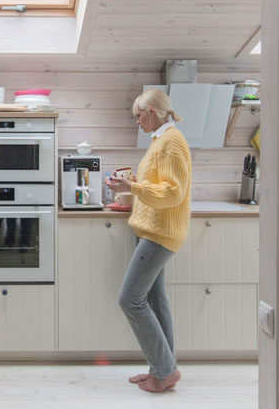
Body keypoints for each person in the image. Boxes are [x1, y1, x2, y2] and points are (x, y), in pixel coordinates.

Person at [105, 88, 192, 393]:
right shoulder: (162, 141)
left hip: (160, 234)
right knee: (155, 300)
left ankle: (165, 371)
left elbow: (172, 192)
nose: (137, 121)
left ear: (152, 111)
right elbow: (157, 185)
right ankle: (163, 369)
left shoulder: (171, 142)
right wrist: (132, 185)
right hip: (154, 230)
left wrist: (133, 187)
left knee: (130, 299)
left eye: (138, 115)